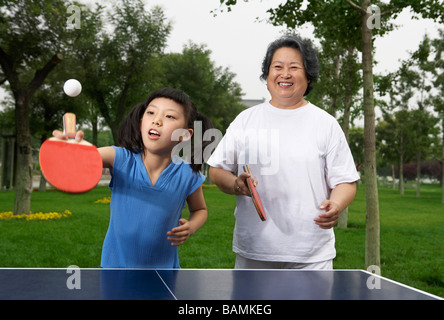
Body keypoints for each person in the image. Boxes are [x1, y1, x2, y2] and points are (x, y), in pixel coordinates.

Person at [207, 35, 360, 270]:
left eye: (294, 67)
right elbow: (217, 170)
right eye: (277, 67)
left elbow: (346, 181)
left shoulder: (326, 124)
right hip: (254, 251)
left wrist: (337, 205)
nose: (285, 74)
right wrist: (238, 185)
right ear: (267, 75)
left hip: (311, 255)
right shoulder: (246, 120)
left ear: (308, 76)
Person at [54, 88, 213, 268]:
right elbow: (87, 158)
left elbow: (200, 209)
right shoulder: (120, 158)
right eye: (151, 112)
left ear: (185, 135)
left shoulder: (188, 175)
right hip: (115, 269)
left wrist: (191, 226)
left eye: (169, 116)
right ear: (140, 123)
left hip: (164, 271)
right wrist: (71, 149)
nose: (157, 120)